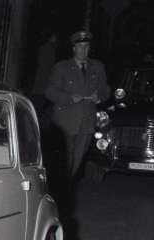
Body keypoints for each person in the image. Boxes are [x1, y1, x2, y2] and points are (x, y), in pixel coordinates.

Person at [45, 30, 110, 183]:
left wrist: (99, 96)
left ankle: (65, 186)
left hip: (87, 122)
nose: (83, 50)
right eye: (80, 47)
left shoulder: (98, 67)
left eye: (86, 46)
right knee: (65, 159)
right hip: (65, 121)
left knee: (77, 161)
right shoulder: (62, 67)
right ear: (74, 48)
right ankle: (60, 186)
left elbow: (105, 89)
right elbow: (49, 92)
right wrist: (69, 98)